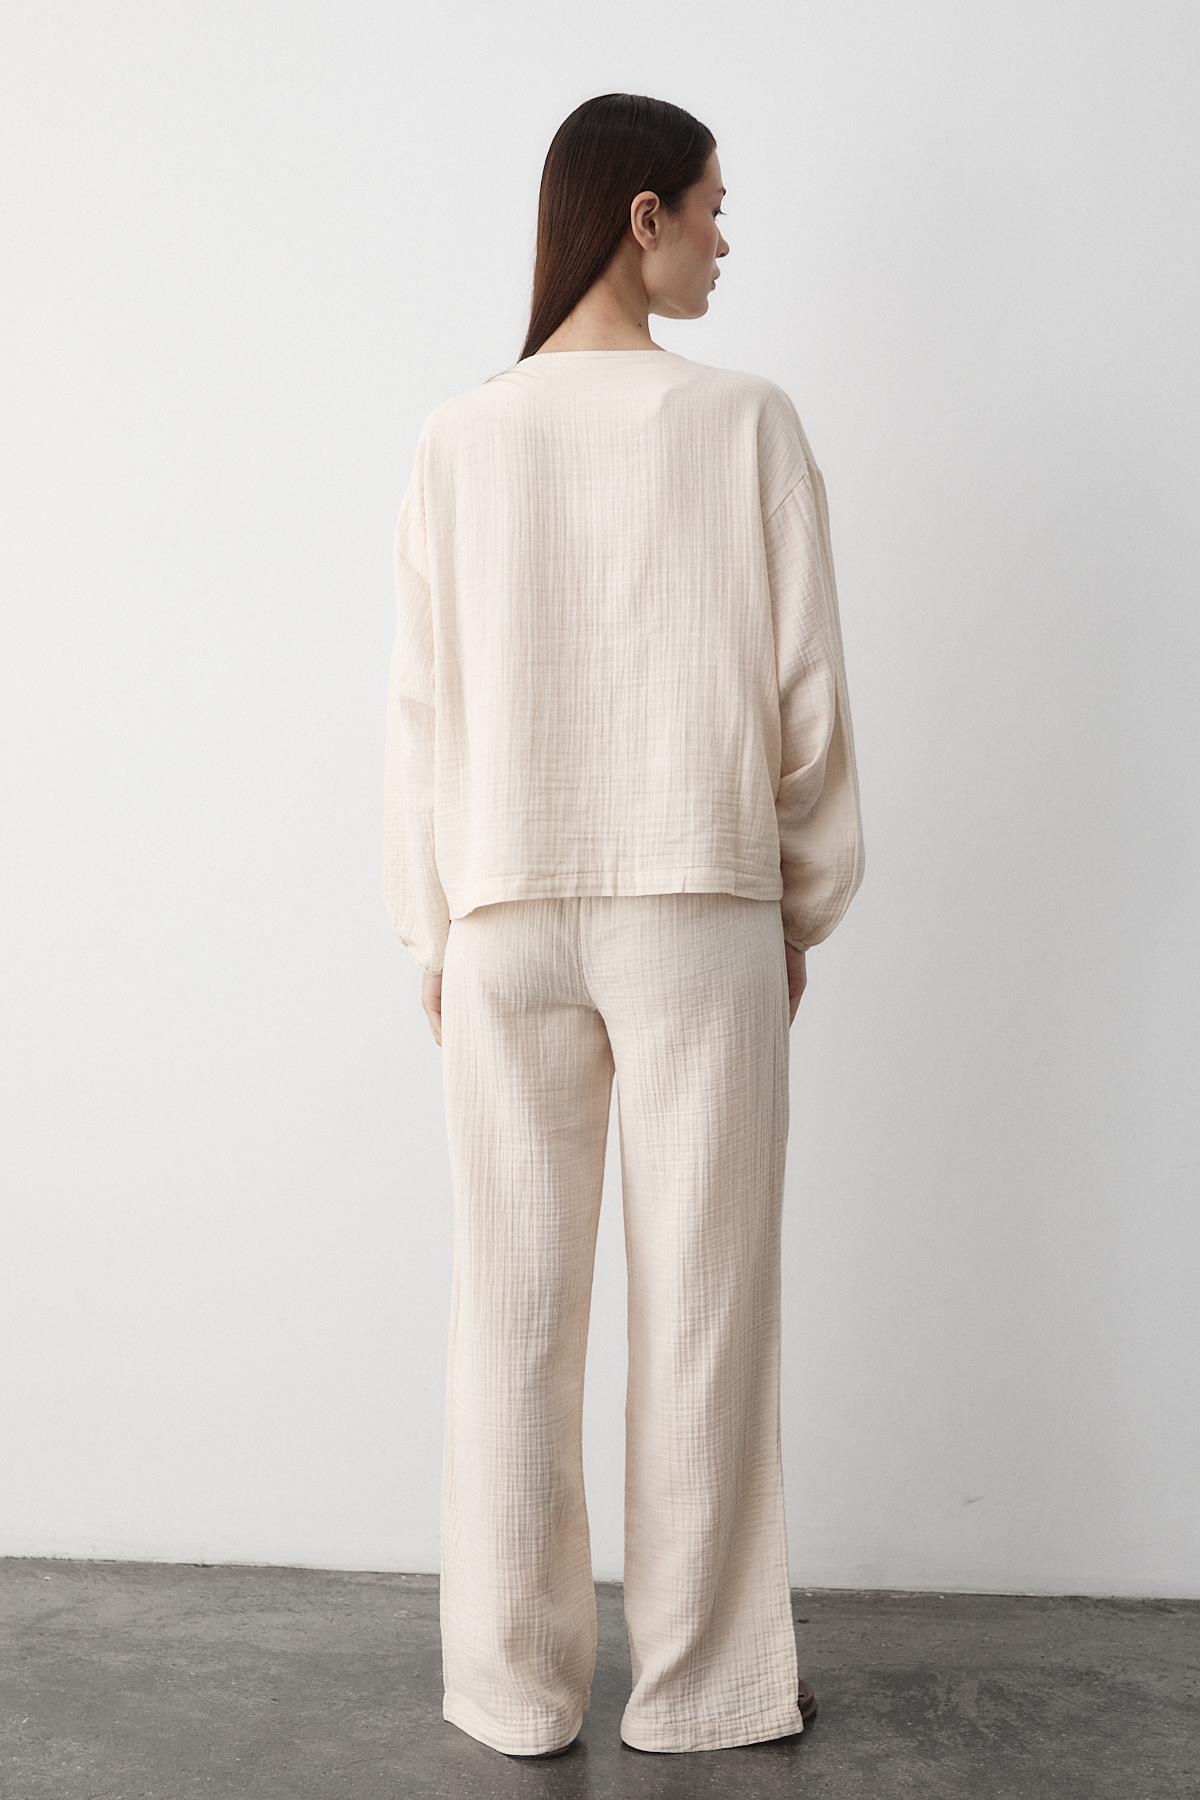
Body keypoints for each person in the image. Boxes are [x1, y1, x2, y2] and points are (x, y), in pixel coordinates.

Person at [382, 92, 865, 1759]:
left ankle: (511, 1691)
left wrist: (436, 928)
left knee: (511, 1317)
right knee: (704, 1312)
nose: (728, 238)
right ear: (641, 215)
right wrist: (798, 899)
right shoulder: (743, 423)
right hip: (695, 906)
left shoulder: (459, 437)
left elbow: (420, 715)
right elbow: (806, 698)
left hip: (506, 911)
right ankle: (701, 1688)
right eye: (714, 206)